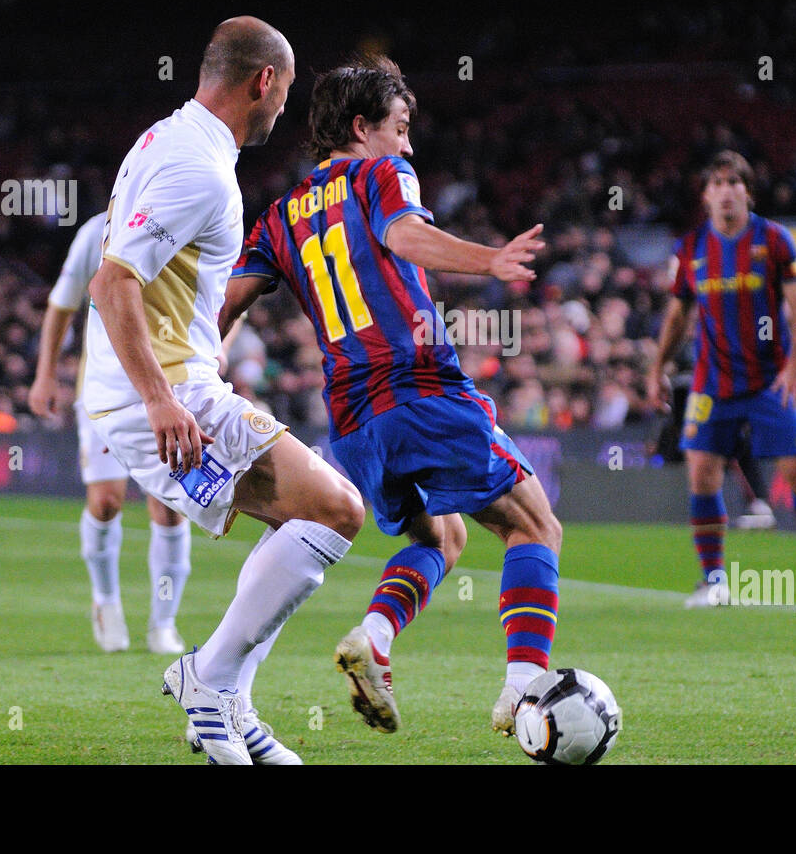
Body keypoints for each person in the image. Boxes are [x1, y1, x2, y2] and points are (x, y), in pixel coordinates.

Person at [219, 55, 560, 737]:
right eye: (400, 127)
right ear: (361, 126)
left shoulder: (280, 216)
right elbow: (403, 233)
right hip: (419, 387)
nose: (408, 145)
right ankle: (525, 689)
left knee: (446, 534)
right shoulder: (380, 174)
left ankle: (374, 636)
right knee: (533, 526)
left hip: (352, 420)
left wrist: (194, 391)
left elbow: (221, 311)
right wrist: (488, 259)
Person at [84, 17, 364, 766]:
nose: (286, 110)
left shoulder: (166, 138)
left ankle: (228, 699)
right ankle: (208, 680)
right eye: (287, 90)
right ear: (262, 81)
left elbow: (157, 282)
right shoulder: (198, 168)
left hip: (164, 381)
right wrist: (160, 398)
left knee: (295, 524)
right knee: (337, 510)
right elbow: (111, 282)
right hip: (162, 393)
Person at [647, 150, 796, 609]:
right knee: (701, 473)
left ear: (748, 192)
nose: (726, 191)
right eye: (716, 183)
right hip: (711, 382)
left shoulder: (774, 240)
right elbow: (678, 315)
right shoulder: (691, 247)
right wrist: (657, 367)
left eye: (734, 182)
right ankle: (714, 580)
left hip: (770, 380)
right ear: (706, 195)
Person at [30, 210, 194, 657]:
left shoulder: (186, 216)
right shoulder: (97, 231)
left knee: (171, 509)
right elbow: (62, 304)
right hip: (105, 392)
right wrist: (45, 375)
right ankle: (106, 602)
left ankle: (163, 623)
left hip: (172, 386)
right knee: (106, 503)